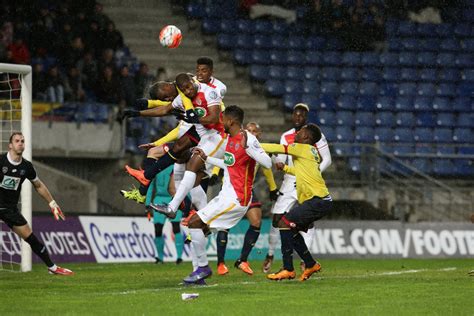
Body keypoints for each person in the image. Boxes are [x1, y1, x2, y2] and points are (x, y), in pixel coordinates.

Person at [152, 105, 271, 284]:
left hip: (237, 198)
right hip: (226, 195)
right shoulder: (230, 139)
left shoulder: (247, 138)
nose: (220, 121)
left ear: (230, 121)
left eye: (222, 118)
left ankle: (202, 268)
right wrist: (208, 159)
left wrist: (249, 148)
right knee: (195, 224)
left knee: (194, 223)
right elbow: (229, 165)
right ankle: (201, 269)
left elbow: (267, 162)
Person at [262, 103, 332, 273]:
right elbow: (285, 158)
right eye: (295, 114)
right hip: (299, 185)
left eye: (301, 116)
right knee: (284, 224)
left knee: (290, 224)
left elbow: (276, 148)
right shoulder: (294, 140)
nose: (297, 119)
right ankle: (305, 262)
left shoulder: (307, 142)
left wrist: (250, 144)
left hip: (311, 191)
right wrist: (284, 167)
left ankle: (295, 265)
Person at [0, 132, 73, 275]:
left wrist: (52, 203)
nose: (20, 143)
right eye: (17, 141)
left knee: (32, 239)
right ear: (10, 145)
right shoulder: (1, 161)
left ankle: (52, 268)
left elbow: (38, 185)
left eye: (22, 141)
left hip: (10, 209)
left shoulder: (26, 167)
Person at [215, 122, 279, 276]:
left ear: (259, 134)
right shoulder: (236, 143)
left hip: (247, 189)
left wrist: (273, 188)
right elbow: (225, 158)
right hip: (230, 189)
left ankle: (242, 260)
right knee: (224, 225)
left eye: (254, 131)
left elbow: (266, 167)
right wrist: (214, 173)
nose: (251, 133)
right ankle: (221, 263)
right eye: (248, 130)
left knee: (256, 222)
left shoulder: (257, 148)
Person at [144, 146, 185, 265]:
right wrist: (147, 204)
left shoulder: (175, 167)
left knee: (176, 227)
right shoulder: (155, 168)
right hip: (159, 199)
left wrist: (185, 201)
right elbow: (151, 186)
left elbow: (182, 185)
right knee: (157, 229)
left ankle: (179, 257)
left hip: (173, 199)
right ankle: (160, 257)